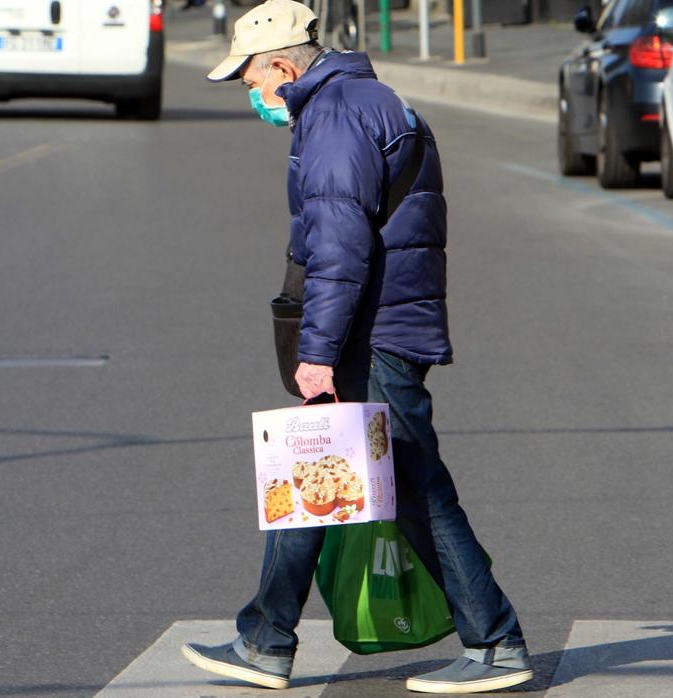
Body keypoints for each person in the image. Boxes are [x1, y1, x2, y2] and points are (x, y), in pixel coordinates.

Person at [181, 0, 532, 692]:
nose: (254, 96)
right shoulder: (354, 102)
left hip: (375, 333)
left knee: (417, 490)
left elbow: (339, 252)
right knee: (314, 480)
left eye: (253, 81)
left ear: (283, 65)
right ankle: (266, 638)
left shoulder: (337, 117)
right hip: (379, 325)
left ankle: (496, 643)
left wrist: (318, 351)